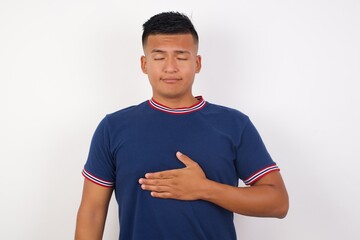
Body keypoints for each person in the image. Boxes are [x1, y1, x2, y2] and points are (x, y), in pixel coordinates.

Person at [75, 11, 289, 240]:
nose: (170, 67)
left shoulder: (234, 124)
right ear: (144, 64)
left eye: (181, 57)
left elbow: (277, 203)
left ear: (197, 63)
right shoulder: (113, 128)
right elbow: (93, 212)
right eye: (159, 57)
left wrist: (204, 188)